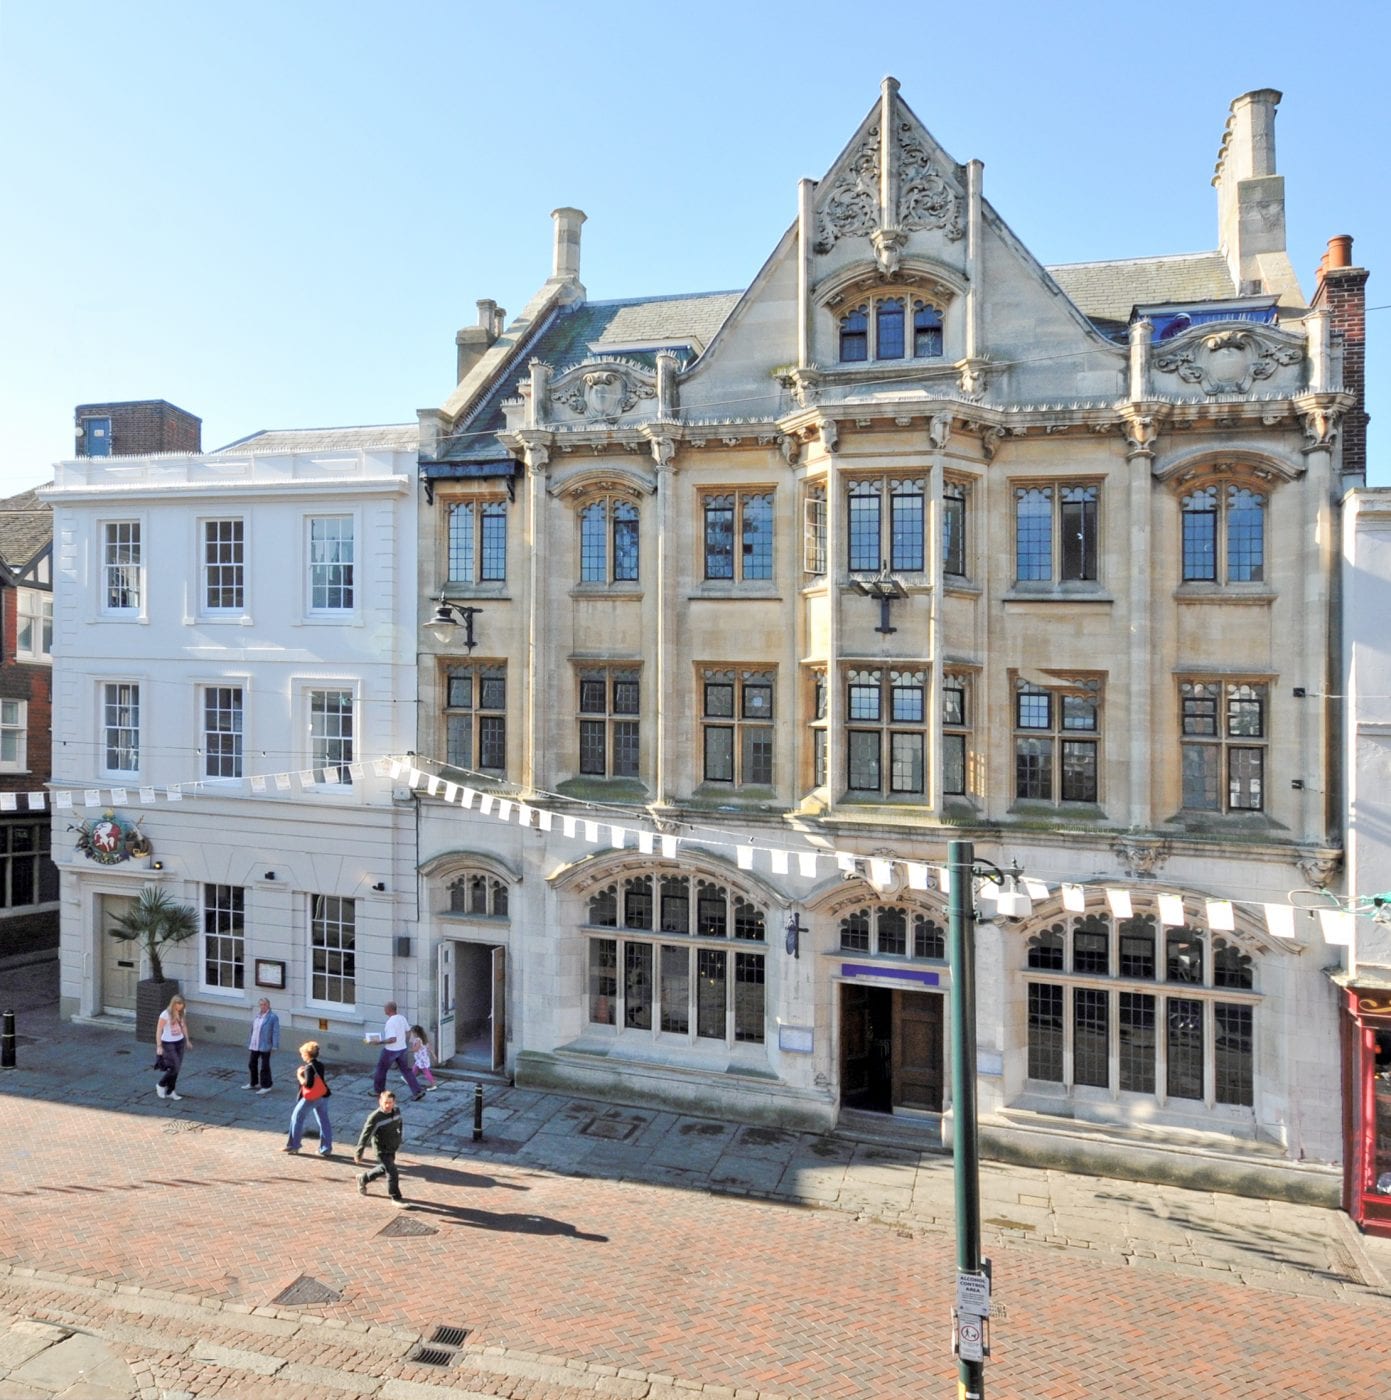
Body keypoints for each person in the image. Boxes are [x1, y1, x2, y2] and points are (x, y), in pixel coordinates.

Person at [355, 1089, 406, 1204]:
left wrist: (399, 1138)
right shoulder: (375, 1117)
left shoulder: (397, 1111)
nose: (388, 1105)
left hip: (392, 1147)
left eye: (390, 1102)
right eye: (385, 1102)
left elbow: (400, 1124)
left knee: (384, 1168)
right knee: (392, 1172)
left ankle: (363, 1178)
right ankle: (396, 1197)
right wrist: (359, 1152)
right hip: (381, 1150)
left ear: (394, 1102)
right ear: (380, 1102)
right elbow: (365, 1135)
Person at [284, 1041, 333, 1156]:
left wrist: (299, 1075)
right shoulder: (320, 1065)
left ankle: (294, 1146)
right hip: (323, 1096)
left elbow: (308, 1084)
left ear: (307, 1055)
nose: (301, 1055)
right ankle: (326, 1148)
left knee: (296, 1117)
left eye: (302, 1053)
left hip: (311, 1097)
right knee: (324, 1121)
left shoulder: (308, 1067)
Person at [368, 1001, 424, 1100]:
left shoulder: (390, 1022)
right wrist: (403, 1041)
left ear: (389, 1010)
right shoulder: (402, 1018)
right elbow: (408, 1031)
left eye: (385, 1008)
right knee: (406, 1071)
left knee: (381, 1070)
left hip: (391, 1050)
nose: (384, 1010)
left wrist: (379, 1042)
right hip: (402, 1049)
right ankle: (417, 1091)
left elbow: (392, 1039)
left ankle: (378, 1091)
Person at [154, 995, 192, 1101]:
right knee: (175, 1066)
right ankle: (161, 1084)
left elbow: (184, 1026)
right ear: (173, 1003)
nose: (180, 1006)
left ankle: (171, 1090)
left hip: (179, 1041)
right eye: (178, 1004)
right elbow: (159, 1030)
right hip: (168, 1042)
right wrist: (159, 1045)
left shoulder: (182, 1012)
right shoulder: (165, 1014)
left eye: (181, 1004)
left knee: (177, 1067)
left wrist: (187, 1040)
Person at [243, 997, 280, 1093]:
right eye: (261, 1005)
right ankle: (253, 1082)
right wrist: (250, 1040)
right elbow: (254, 1029)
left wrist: (274, 1045)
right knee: (252, 1063)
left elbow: (276, 1031)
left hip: (265, 1045)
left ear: (268, 1005)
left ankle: (266, 1085)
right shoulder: (258, 1016)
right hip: (255, 1044)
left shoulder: (272, 1017)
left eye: (264, 1004)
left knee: (264, 1066)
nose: (262, 1007)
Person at [409, 1024, 437, 1090]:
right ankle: (410, 1079)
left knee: (426, 1071)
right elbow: (429, 1047)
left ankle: (433, 1084)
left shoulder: (418, 1040)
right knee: (414, 1069)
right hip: (423, 1058)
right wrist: (434, 1055)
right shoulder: (424, 1039)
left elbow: (416, 1049)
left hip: (421, 1059)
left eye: (412, 1033)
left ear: (415, 1033)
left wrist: (409, 1050)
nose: (412, 1034)